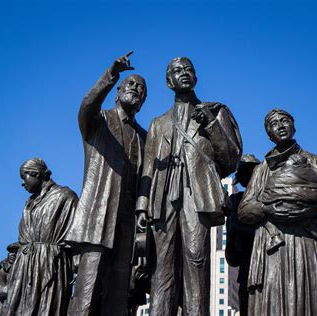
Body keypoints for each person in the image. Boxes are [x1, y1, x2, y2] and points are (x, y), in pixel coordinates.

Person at [136, 57, 242, 315]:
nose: (183, 73)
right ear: (167, 81)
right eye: (177, 71)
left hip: (196, 193)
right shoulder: (158, 123)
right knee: (162, 267)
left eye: (188, 69)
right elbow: (147, 168)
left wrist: (211, 124)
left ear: (196, 76)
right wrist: (141, 206)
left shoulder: (216, 112)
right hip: (163, 197)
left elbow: (231, 159)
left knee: (196, 259)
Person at [238, 109, 317, 316]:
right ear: (269, 134)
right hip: (272, 244)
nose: (280, 126)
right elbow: (245, 209)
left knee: (310, 302)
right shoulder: (262, 170)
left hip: (307, 240)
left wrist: (314, 209)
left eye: (284, 121)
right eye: (273, 124)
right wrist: (269, 209)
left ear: (293, 125)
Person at [65, 51, 147, 316]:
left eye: (142, 89)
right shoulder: (99, 122)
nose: (136, 89)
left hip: (127, 227)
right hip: (98, 220)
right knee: (86, 298)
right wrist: (111, 74)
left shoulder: (145, 137)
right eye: (131, 84)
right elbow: (86, 106)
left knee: (117, 301)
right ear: (118, 91)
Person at [3, 158, 77, 316]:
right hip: (23, 267)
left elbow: (76, 236)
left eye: (24, 177)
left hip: (50, 263)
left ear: (36, 174)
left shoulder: (65, 196)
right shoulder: (29, 203)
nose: (23, 183)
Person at [224, 154, 259, 316]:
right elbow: (231, 257)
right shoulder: (235, 201)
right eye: (244, 175)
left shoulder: (271, 198)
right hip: (247, 270)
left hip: (272, 269)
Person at [0, 242, 20, 316]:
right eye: (11, 252)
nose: (13, 254)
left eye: (16, 252)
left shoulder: (21, 270)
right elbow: (1, 290)